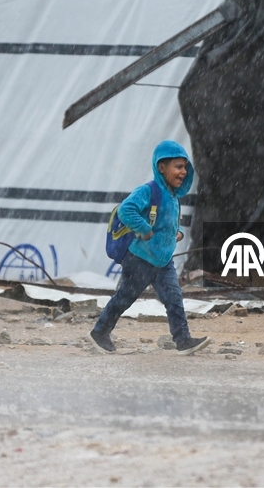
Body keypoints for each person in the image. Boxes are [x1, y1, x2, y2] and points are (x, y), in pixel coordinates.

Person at [90, 140, 211, 356]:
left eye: (185, 167)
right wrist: (144, 229)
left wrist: (177, 232)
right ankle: (100, 333)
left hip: (163, 261)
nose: (183, 172)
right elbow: (126, 210)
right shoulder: (149, 190)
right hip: (140, 259)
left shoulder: (174, 197)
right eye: (178, 166)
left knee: (173, 297)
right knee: (125, 297)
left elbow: (168, 223)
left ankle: (183, 340)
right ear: (161, 167)